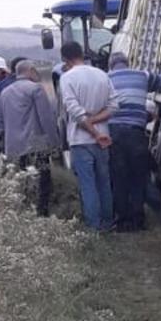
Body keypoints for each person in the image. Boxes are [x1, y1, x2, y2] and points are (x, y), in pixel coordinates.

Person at [106, 51, 161, 232]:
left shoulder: (106, 79)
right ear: (128, 62)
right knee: (138, 177)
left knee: (119, 177)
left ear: (111, 65)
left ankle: (121, 221)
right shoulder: (142, 76)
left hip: (114, 133)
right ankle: (138, 221)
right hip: (136, 134)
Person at [57, 41, 115, 231]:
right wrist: (98, 128)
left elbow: (75, 112)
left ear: (64, 58)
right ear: (82, 53)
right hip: (104, 139)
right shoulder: (102, 74)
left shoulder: (67, 78)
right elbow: (114, 106)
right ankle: (108, 222)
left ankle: (94, 226)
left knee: (88, 184)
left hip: (81, 140)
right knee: (104, 183)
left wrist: (93, 132)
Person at [0, 60, 60, 216]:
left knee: (22, 181)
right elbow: (46, 119)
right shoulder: (35, 89)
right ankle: (42, 214)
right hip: (36, 144)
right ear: (30, 70)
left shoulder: (5, 92)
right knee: (42, 181)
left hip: (13, 147)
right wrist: (55, 143)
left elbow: (0, 124)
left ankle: (24, 213)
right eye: (35, 70)